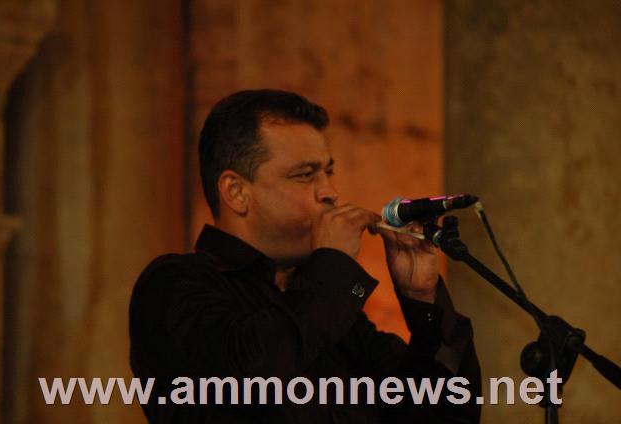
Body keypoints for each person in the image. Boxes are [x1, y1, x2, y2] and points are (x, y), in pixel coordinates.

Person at [129, 89, 481, 423]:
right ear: (236, 192)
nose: (330, 192)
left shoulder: (340, 318)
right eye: (304, 175)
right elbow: (256, 376)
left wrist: (423, 301)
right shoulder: (173, 285)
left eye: (328, 172)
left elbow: (446, 414)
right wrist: (335, 268)